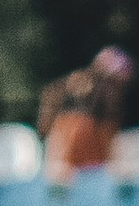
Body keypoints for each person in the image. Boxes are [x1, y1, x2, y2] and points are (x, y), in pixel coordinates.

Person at [37, 46, 132, 177]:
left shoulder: (102, 123)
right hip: (75, 158)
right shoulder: (76, 123)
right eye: (115, 83)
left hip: (77, 157)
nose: (117, 92)